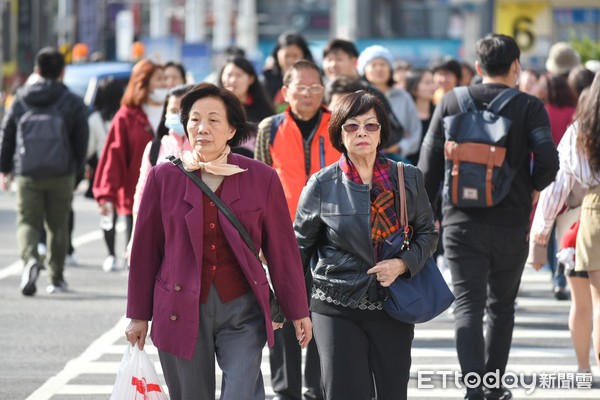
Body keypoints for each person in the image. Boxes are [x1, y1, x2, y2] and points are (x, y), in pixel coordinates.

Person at [125, 83, 312, 400]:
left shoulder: (261, 177)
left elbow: (282, 250)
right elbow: (145, 252)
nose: (202, 128)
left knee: (241, 391)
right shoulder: (163, 177)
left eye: (213, 120)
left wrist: (298, 310)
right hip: (178, 306)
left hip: (242, 308)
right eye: (195, 119)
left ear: (231, 130)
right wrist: (138, 315)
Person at [418, 34, 559, 400]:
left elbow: (428, 167)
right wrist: (533, 187)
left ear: (478, 68)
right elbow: (548, 161)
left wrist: (428, 216)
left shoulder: (451, 101)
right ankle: (493, 387)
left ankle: (473, 390)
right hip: (512, 222)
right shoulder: (529, 106)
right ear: (516, 67)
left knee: (468, 305)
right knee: (501, 306)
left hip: (460, 221)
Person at [294, 91, 438, 400]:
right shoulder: (320, 184)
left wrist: (402, 264)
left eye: (371, 126)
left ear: (382, 132)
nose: (362, 132)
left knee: (391, 392)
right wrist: (291, 308)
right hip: (335, 304)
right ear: (339, 134)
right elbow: (299, 249)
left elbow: (428, 233)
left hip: (393, 304)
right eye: (352, 126)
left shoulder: (408, 177)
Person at [256, 59, 339, 400]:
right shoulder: (269, 127)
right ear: (285, 91)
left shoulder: (339, 124)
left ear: (323, 89)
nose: (307, 94)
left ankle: (316, 389)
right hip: (282, 235)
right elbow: (257, 184)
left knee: (323, 312)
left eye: (314, 87)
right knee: (284, 312)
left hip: (332, 237)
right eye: (300, 88)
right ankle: (285, 390)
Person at [0, 47, 89, 295]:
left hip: (27, 171)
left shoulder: (20, 98)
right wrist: (77, 170)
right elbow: (81, 139)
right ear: (63, 72)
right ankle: (56, 278)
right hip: (61, 172)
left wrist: (4, 168)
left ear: (36, 71)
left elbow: (7, 134)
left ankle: (30, 259)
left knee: (27, 220)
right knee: (57, 224)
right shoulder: (71, 100)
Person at [529, 86, 595, 374]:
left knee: (585, 303)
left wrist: (539, 238)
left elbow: (556, 188)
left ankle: (583, 368)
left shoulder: (581, 132)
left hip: (588, 216)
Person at [92, 59, 166, 266]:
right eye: (159, 79)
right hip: (136, 199)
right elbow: (112, 158)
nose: (165, 84)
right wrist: (106, 194)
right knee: (139, 263)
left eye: (165, 79)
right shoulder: (125, 116)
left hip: (172, 196)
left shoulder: (176, 111)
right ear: (143, 83)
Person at [533, 72, 578, 299]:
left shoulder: (541, 113)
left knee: (548, 233)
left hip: (546, 179)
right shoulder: (574, 114)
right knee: (566, 232)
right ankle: (564, 276)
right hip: (573, 184)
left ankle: (556, 278)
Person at [86, 77, 126, 272]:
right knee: (129, 212)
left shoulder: (95, 119)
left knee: (108, 213)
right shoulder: (126, 116)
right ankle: (129, 254)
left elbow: (89, 150)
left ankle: (111, 255)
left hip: (105, 170)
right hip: (126, 169)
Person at [357, 45, 422, 162]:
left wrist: (399, 147)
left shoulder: (403, 96)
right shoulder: (357, 97)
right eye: (373, 65)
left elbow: (415, 131)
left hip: (397, 161)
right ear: (364, 70)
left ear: (390, 69)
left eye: (383, 64)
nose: (379, 69)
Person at [263, 32, 314, 112]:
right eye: (286, 56)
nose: (291, 61)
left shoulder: (314, 79)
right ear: (277, 55)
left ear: (304, 56)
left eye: (295, 56)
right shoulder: (267, 79)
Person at [405, 67, 436, 165]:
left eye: (433, 82)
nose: (433, 87)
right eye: (427, 83)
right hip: (406, 171)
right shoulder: (404, 115)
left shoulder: (438, 112)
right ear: (413, 88)